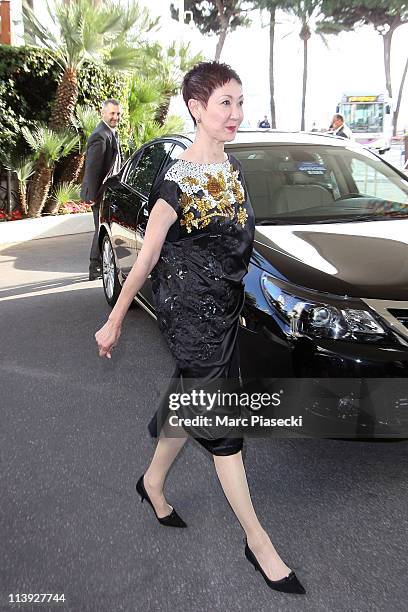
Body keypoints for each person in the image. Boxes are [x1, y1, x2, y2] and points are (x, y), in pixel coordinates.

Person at [94, 61, 305, 595]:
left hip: (226, 308)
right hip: (191, 318)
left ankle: (152, 482)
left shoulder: (231, 170)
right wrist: (114, 320)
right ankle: (258, 542)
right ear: (197, 109)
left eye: (239, 101)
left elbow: (239, 245)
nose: (236, 113)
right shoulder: (175, 183)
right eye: (224, 103)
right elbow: (144, 262)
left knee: (189, 402)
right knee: (223, 426)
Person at [80, 99, 122, 280]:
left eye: (118, 114)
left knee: (102, 228)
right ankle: (94, 267)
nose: (115, 117)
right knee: (100, 229)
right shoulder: (100, 135)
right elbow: (92, 168)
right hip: (99, 194)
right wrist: (91, 195)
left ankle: (97, 266)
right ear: (103, 113)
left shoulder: (110, 133)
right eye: (112, 113)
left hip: (108, 192)